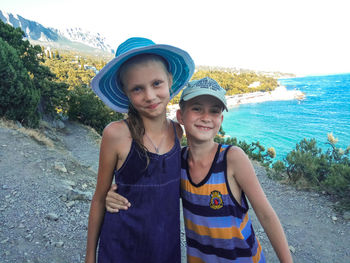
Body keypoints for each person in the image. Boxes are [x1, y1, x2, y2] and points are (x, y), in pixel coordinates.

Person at [106, 77, 293, 262]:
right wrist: (114, 195)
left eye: (214, 111)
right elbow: (153, 191)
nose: (206, 117)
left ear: (220, 119)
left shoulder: (232, 158)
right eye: (197, 109)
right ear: (180, 116)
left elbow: (266, 215)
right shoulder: (178, 162)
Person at [85, 37, 195, 263]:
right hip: (121, 248)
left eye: (157, 83)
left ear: (170, 81)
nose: (150, 96)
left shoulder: (178, 132)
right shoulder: (115, 134)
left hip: (165, 248)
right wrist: (89, 258)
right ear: (126, 93)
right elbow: (99, 198)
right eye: (137, 88)